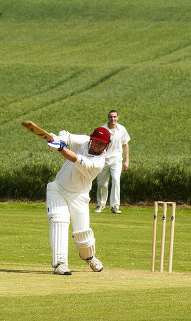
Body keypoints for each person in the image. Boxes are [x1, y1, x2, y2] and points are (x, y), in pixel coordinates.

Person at [44, 126, 111, 275]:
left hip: (79, 196)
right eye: (94, 141)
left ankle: (89, 257)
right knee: (59, 221)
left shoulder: (98, 163)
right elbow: (67, 137)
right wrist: (58, 140)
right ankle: (60, 264)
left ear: (107, 145)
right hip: (59, 188)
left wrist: (60, 148)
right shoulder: (85, 141)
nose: (95, 145)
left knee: (83, 235)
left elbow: (74, 158)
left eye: (100, 144)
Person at [94, 110, 131, 214]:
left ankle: (114, 206)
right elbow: (96, 144)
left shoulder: (122, 129)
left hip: (117, 159)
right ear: (108, 118)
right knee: (102, 183)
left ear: (117, 117)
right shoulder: (102, 130)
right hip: (103, 159)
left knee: (115, 180)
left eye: (114, 117)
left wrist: (127, 160)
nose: (113, 119)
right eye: (111, 117)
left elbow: (125, 144)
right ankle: (100, 205)